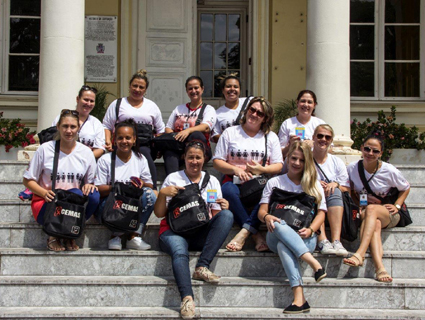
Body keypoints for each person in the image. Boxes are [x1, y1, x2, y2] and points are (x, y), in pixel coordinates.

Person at [154, 141, 233, 319]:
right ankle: (187, 298)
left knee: (227, 216)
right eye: (190, 157)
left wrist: (224, 207)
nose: (194, 161)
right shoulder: (173, 178)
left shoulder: (211, 180)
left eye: (198, 157)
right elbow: (159, 214)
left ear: (204, 159)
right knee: (180, 252)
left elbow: (215, 214)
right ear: (184, 158)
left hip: (200, 232)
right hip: (174, 232)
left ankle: (202, 266)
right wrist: (163, 194)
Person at [258, 141, 327, 314]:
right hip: (275, 233)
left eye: (301, 160)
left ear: (307, 163)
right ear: (287, 158)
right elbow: (261, 212)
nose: (296, 163)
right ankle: (314, 263)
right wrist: (267, 217)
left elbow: (321, 214)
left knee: (284, 245)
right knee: (280, 225)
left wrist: (311, 230)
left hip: (305, 238)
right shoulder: (274, 182)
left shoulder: (314, 185)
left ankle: (299, 298)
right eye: (293, 158)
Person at [23, 109, 100, 251]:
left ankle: (70, 232)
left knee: (93, 196)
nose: (69, 131)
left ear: (78, 129)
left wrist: (89, 185)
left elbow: (91, 182)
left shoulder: (86, 152)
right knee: (75, 193)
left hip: (71, 205)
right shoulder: (45, 149)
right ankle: (53, 235)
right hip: (48, 203)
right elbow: (28, 180)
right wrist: (43, 192)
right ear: (58, 127)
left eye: (73, 127)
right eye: (65, 126)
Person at [213, 97, 283, 252]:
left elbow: (279, 165)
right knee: (227, 191)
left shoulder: (270, 137)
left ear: (265, 118)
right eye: (252, 110)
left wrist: (262, 170)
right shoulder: (230, 132)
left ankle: (245, 231)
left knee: (269, 194)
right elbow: (217, 161)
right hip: (234, 180)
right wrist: (235, 169)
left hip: (259, 183)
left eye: (260, 113)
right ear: (246, 111)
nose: (255, 114)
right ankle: (255, 234)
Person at [343, 134, 410, 283]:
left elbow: (406, 187)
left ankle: (359, 253)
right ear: (361, 149)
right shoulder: (352, 168)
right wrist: (359, 203)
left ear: (380, 153)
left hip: (389, 213)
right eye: (367, 149)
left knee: (373, 210)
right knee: (375, 224)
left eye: (375, 151)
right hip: (368, 213)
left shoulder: (389, 170)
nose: (370, 153)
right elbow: (351, 190)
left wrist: (397, 205)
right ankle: (380, 268)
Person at [19, 85, 105, 201]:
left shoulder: (96, 123)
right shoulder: (61, 118)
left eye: (91, 101)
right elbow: (51, 139)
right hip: (59, 159)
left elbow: (100, 148)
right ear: (77, 99)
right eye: (85, 99)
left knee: (91, 194)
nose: (88, 103)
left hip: (82, 162)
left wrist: (83, 155)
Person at [95, 119, 156, 250]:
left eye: (128, 138)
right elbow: (98, 189)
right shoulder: (105, 160)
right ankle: (116, 235)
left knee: (151, 195)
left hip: (131, 205)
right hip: (111, 205)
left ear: (134, 139)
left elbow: (150, 185)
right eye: (120, 138)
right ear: (114, 140)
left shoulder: (140, 159)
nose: (124, 141)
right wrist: (117, 187)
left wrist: (141, 183)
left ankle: (133, 236)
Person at [103, 69, 165, 189]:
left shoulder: (152, 106)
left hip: (145, 146)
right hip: (122, 144)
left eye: (141, 87)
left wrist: (159, 149)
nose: (137, 89)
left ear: (145, 90)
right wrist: (107, 142)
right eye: (134, 86)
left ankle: (153, 191)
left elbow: (160, 130)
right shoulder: (118, 104)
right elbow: (106, 125)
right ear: (129, 86)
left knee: (145, 157)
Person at [163, 76, 216, 175]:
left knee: (197, 134)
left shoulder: (208, 109)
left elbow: (206, 127)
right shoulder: (179, 108)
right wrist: (175, 137)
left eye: (196, 88)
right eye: (190, 88)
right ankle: (172, 183)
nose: (193, 91)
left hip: (200, 150)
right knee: (169, 152)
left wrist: (187, 131)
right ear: (186, 91)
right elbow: (168, 128)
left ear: (202, 89)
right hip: (179, 148)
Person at [312, 124, 350, 256]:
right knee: (316, 191)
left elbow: (347, 188)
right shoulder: (305, 158)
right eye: (320, 136)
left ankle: (336, 241)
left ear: (331, 140)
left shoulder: (336, 162)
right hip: (311, 197)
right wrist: (314, 183)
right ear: (313, 137)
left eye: (327, 137)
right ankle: (322, 239)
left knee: (336, 191)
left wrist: (336, 184)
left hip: (332, 199)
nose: (323, 139)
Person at [278, 90, 325, 158]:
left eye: (309, 102)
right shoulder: (287, 123)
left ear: (314, 105)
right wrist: (290, 145)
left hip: (313, 165)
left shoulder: (320, 124)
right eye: (303, 101)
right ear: (297, 103)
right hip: (293, 165)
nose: (306, 105)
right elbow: (279, 154)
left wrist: (315, 144)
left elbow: (330, 149)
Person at [211, 74, 252, 143]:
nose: (232, 89)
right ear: (223, 90)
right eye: (228, 86)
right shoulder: (217, 114)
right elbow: (215, 136)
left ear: (240, 90)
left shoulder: (250, 102)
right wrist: (232, 141)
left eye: (235, 87)